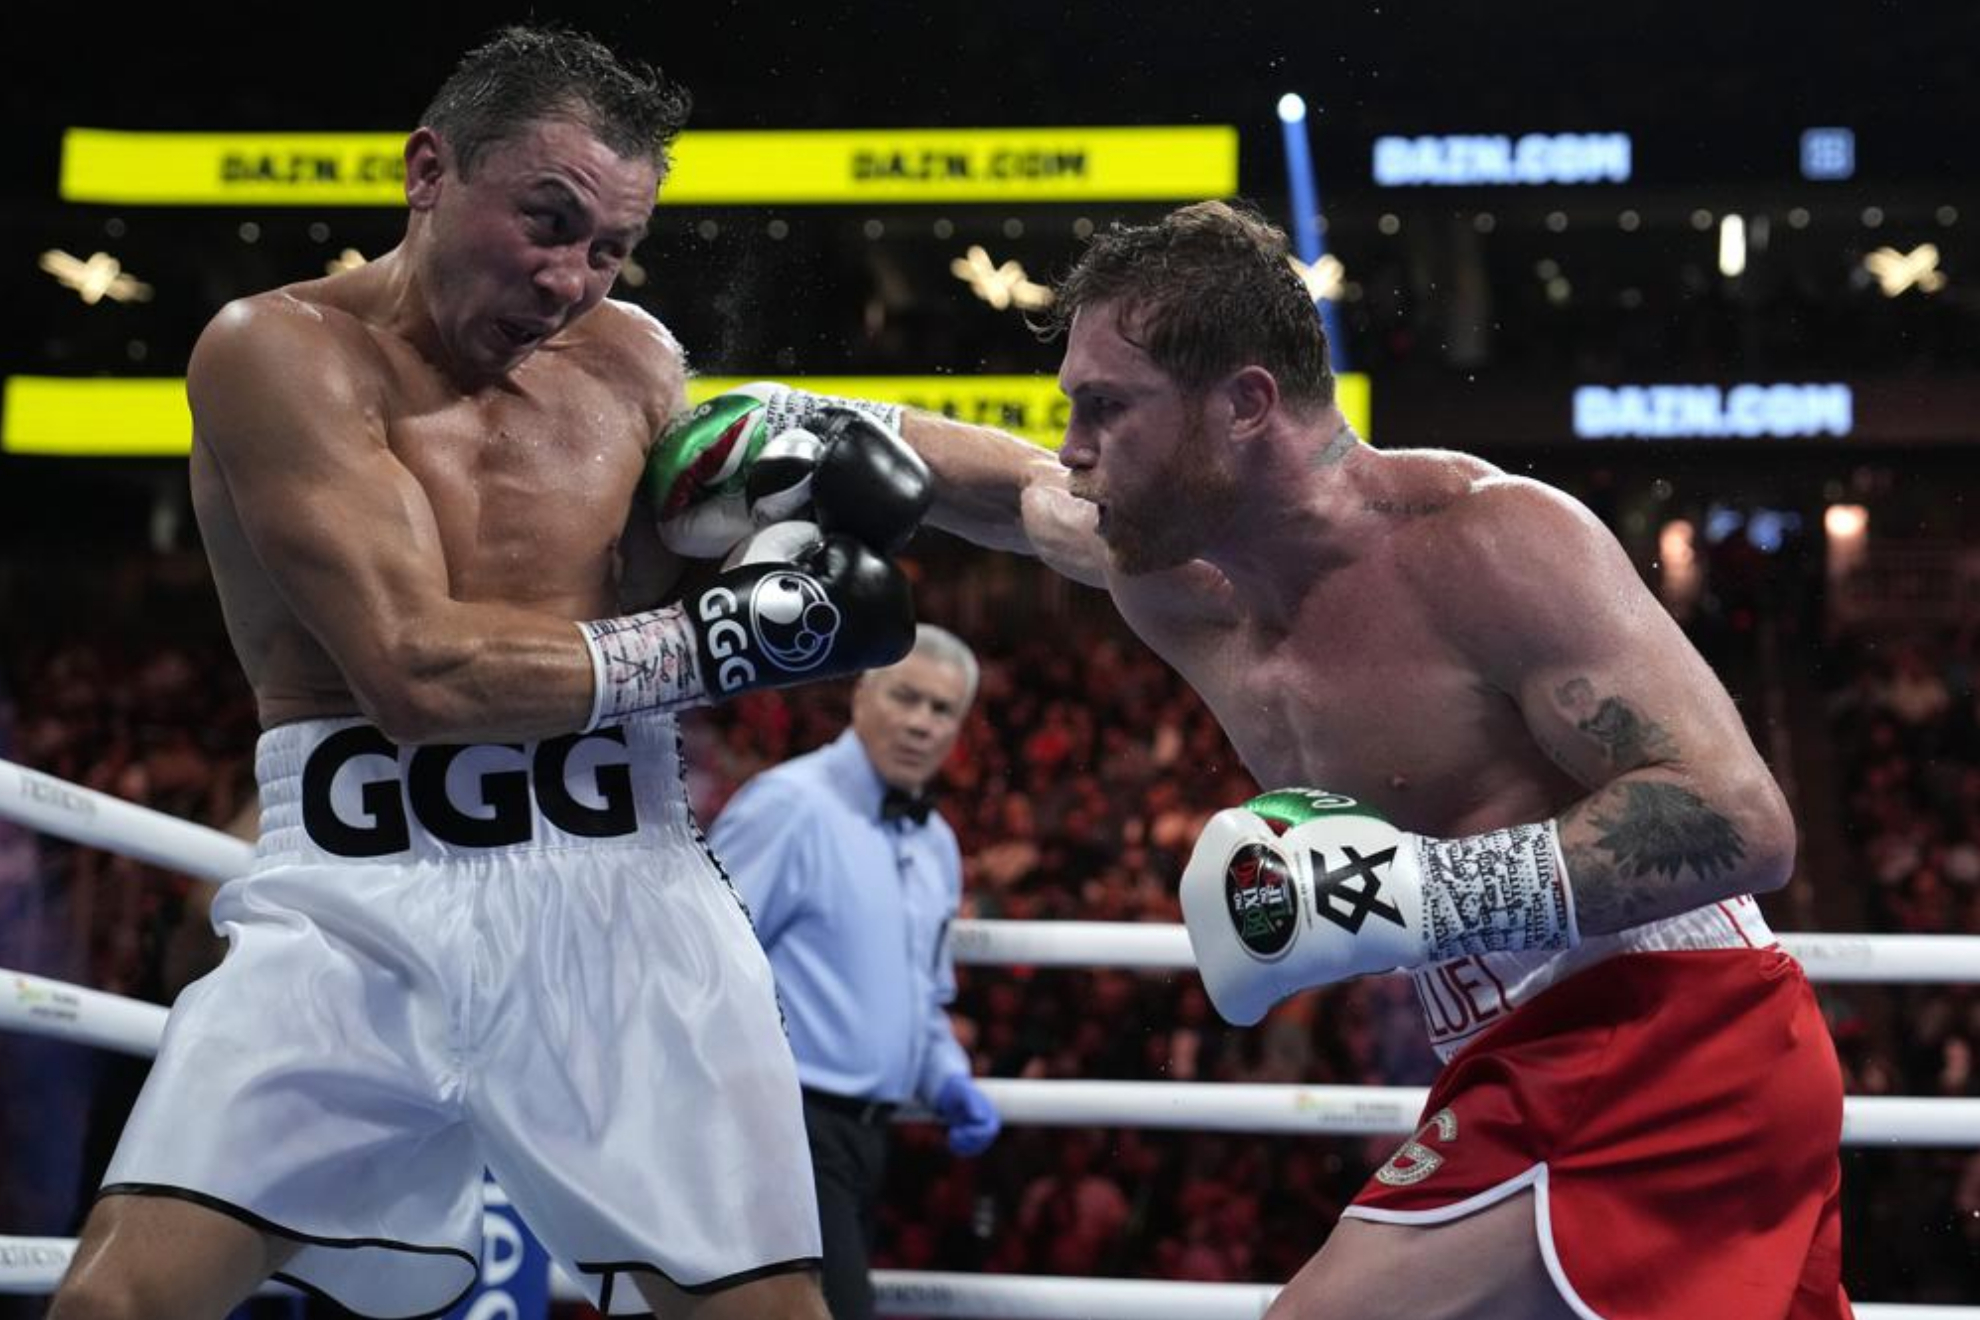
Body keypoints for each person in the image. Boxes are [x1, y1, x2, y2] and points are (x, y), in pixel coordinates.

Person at [689, 201, 1852, 1318]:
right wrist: (786, 421)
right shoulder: (1170, 572)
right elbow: (1009, 493)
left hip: (1669, 1031)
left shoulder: (1491, 545)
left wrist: (1410, 897)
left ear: (1245, 403)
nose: (1077, 448)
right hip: (1517, 1047)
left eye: (1109, 408)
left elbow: (1743, 820)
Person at [50, 25, 932, 1320]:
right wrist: (722, 641)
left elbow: (845, 443)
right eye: (546, 221)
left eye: (611, 248)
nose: (571, 280)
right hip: (355, 900)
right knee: (115, 1303)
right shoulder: (275, 350)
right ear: (429, 172)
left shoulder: (633, 359)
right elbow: (416, 674)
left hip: (620, 901)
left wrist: (1065, 496)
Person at [707, 624, 1001, 1320]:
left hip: (871, 1137)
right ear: (863, 694)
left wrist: (946, 1076)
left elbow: (923, 992)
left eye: (942, 710)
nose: (921, 723)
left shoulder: (937, 843)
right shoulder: (790, 805)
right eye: (906, 697)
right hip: (783, 1121)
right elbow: (704, 959)